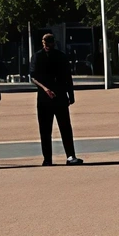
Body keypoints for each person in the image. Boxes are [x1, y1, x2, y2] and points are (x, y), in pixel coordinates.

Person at [31, 33, 83, 166]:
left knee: (65, 127)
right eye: (44, 41)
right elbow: (33, 77)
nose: (46, 44)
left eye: (49, 41)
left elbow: (67, 77)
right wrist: (45, 88)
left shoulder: (61, 56)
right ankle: (47, 158)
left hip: (60, 96)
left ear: (54, 42)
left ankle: (70, 156)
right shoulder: (37, 56)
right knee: (45, 129)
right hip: (44, 98)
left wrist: (71, 95)